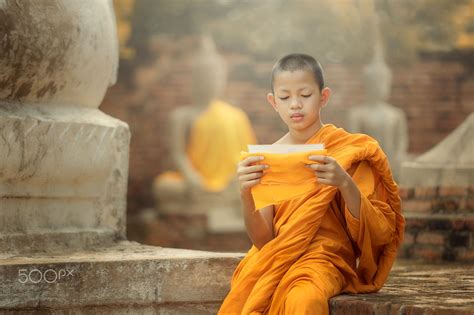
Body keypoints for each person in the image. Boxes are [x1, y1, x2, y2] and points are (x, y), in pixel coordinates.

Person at [218, 54, 405, 314]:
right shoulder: (268, 158)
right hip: (276, 260)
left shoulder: (347, 151)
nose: (295, 105)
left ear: (323, 97)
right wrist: (245, 194)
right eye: (285, 98)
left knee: (304, 300)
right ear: (273, 102)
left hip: (325, 259)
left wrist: (344, 183)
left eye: (305, 95)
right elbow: (264, 239)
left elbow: (379, 232)